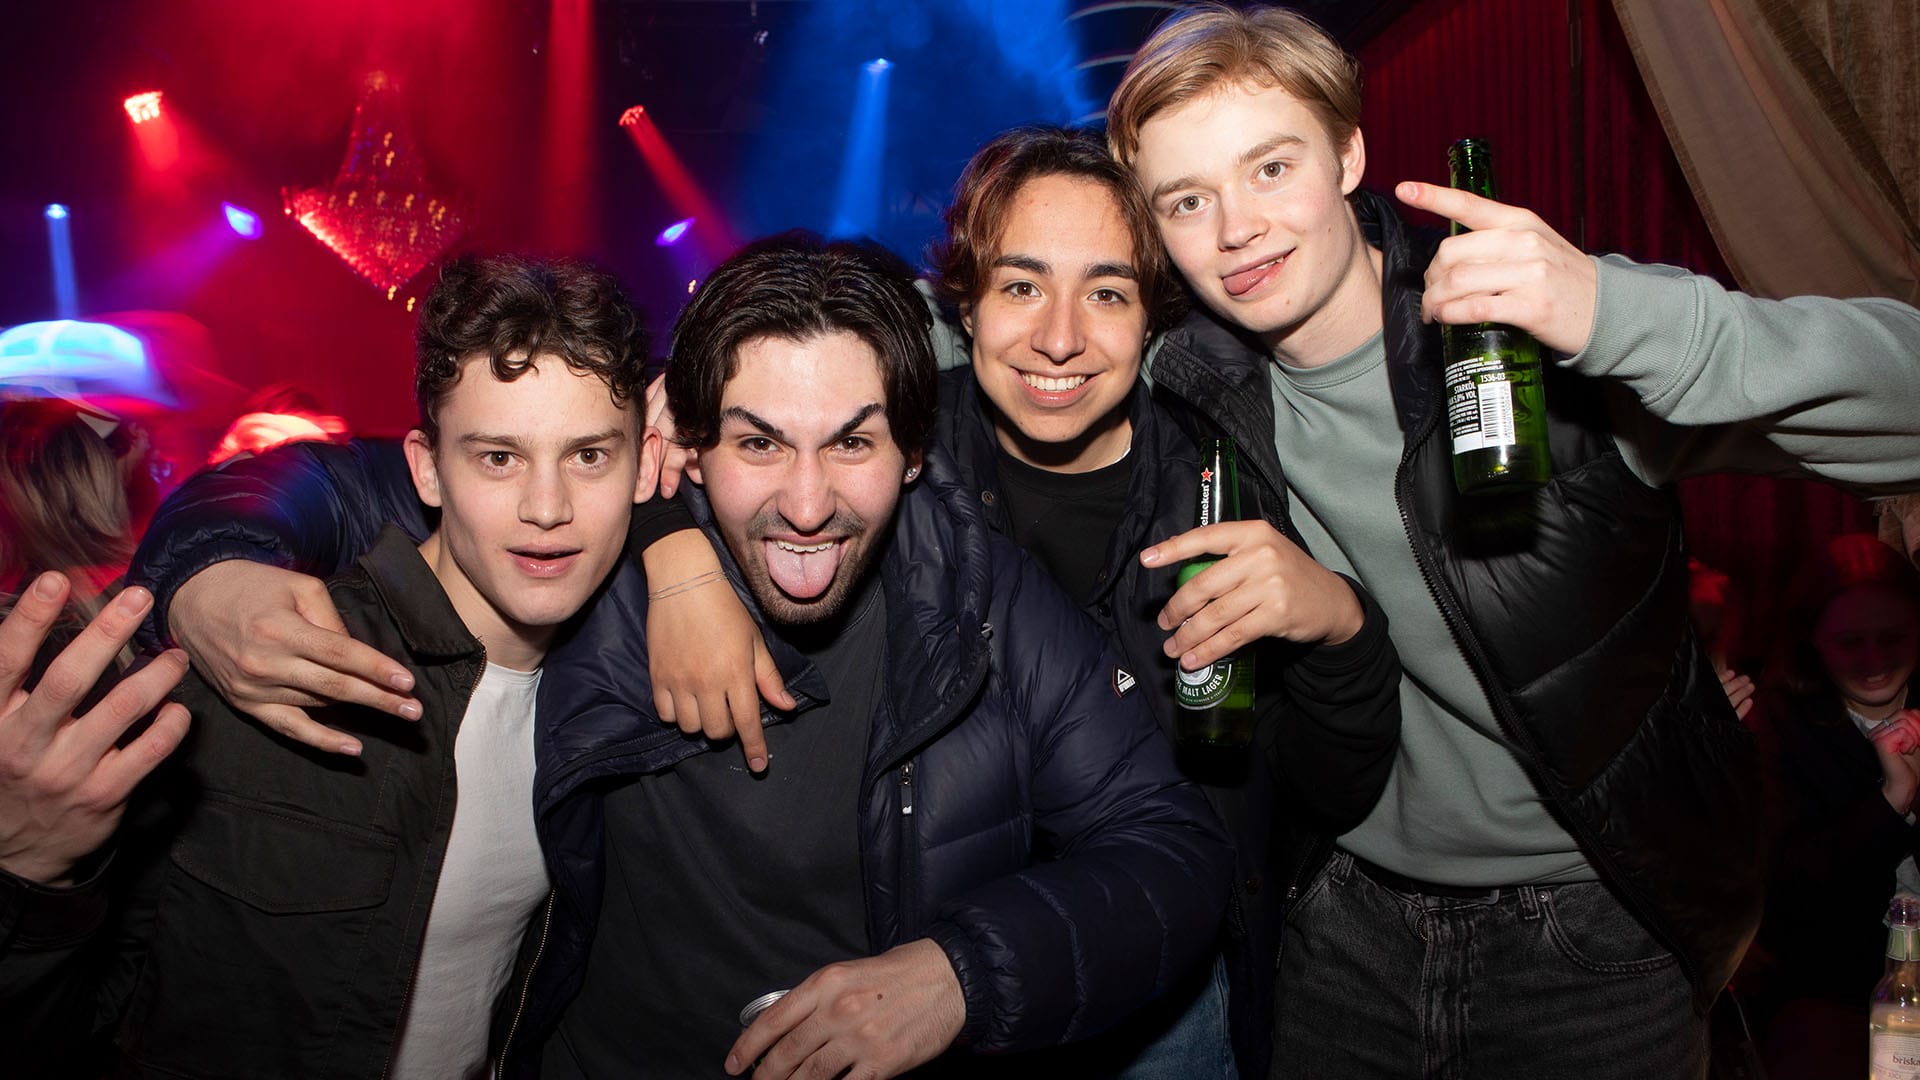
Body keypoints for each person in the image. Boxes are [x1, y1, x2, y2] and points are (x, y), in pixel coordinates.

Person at [123, 233, 1234, 1078]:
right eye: (758, 442)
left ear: (909, 453)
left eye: (852, 442)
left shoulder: (981, 601)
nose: (807, 503)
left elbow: (1173, 850)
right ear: (689, 449)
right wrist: (210, 571)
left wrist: (959, 975)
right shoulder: (593, 549)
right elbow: (354, 480)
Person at [1099, 3, 1920, 1076]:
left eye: (1270, 168)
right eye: (1187, 200)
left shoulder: (1540, 333)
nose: (1234, 229)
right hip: (1344, 928)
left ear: (1349, 155)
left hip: (1593, 937)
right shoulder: (1190, 386)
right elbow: (982, 344)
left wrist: (1614, 314)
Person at [1, 253, 658, 1077]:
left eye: (589, 456)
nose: (547, 508)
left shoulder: (616, 688)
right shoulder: (260, 664)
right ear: (426, 468)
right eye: (498, 457)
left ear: (645, 464)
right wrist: (25, 874)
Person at [919, 123, 1400, 1079]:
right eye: (1021, 287)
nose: (1061, 337)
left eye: (1106, 292)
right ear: (966, 306)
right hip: (930, 967)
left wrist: (1342, 629)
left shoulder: (1223, 486)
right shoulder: (892, 461)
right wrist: (673, 546)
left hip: (1171, 993)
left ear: (1152, 318)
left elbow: (1326, 794)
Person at [1745, 533, 1920, 1077]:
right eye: (1850, 642)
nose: (1874, 661)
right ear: (1813, 640)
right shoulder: (1774, 724)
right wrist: (1892, 799)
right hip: (1832, 996)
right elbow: (1786, 891)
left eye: (1893, 638)